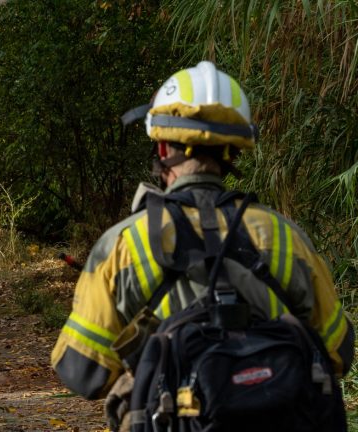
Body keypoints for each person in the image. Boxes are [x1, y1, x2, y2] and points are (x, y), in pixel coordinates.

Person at [50, 61, 355, 406]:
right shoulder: (287, 238)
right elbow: (339, 352)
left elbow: (81, 369)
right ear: (234, 151)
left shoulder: (124, 244)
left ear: (162, 148)